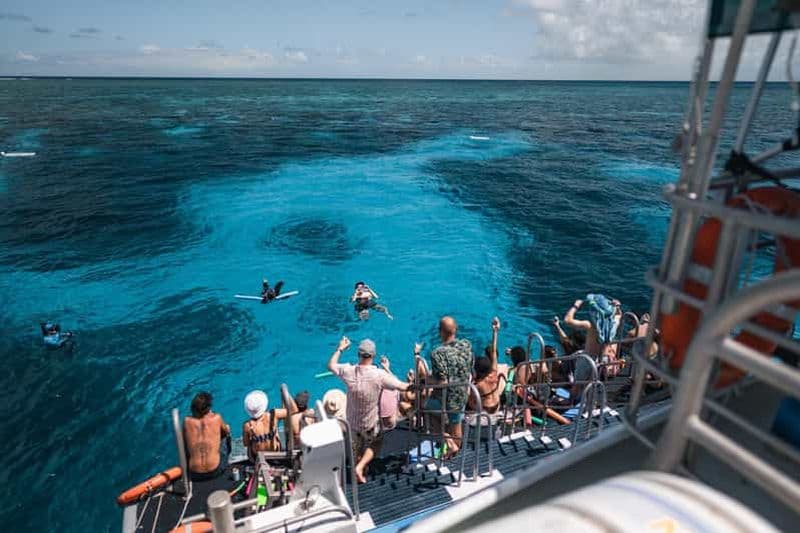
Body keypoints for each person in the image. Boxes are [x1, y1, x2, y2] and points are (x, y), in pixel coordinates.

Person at [328, 336, 409, 483]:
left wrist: (340, 348)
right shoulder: (379, 375)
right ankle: (361, 467)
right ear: (373, 356)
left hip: (352, 424)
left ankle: (358, 470)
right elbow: (401, 386)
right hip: (370, 425)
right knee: (377, 442)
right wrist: (415, 385)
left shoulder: (348, 371)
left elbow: (331, 365)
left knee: (356, 450)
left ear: (359, 354)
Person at [422, 316, 473, 457]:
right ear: (456, 329)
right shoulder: (466, 345)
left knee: (426, 408)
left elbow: (442, 382)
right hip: (463, 392)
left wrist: (426, 379)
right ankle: (455, 455)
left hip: (446, 399)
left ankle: (449, 442)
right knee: (456, 423)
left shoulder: (437, 353)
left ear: (440, 331)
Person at [564, 295, 622, 377]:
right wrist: (617, 306)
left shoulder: (590, 326)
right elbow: (619, 315)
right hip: (604, 360)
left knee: (577, 387)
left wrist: (575, 306)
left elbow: (567, 320)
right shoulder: (613, 325)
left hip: (588, 360)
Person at [183, 392, 231, 481]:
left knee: (186, 439)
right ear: (209, 408)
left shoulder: (186, 421)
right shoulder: (216, 418)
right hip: (217, 470)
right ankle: (228, 458)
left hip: (194, 473)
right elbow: (226, 432)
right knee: (226, 430)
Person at [469, 317, 506, 414]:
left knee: (469, 398)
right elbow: (493, 352)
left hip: (486, 410)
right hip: (497, 405)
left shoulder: (477, 385)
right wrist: (495, 331)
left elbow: (472, 402)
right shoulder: (493, 374)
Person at [242, 390, 292, 461]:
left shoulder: (247, 425)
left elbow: (246, 443)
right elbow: (292, 411)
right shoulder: (273, 415)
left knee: (250, 444)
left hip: (257, 457)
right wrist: (285, 394)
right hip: (275, 453)